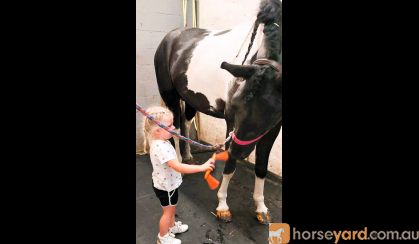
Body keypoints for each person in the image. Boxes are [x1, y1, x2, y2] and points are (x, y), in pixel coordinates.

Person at [143, 105, 215, 244]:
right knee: (167, 213)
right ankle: (162, 237)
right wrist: (201, 167)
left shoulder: (160, 140)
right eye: (169, 126)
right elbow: (178, 167)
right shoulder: (161, 147)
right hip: (166, 187)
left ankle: (172, 226)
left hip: (167, 183)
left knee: (172, 208)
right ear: (158, 130)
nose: (174, 128)